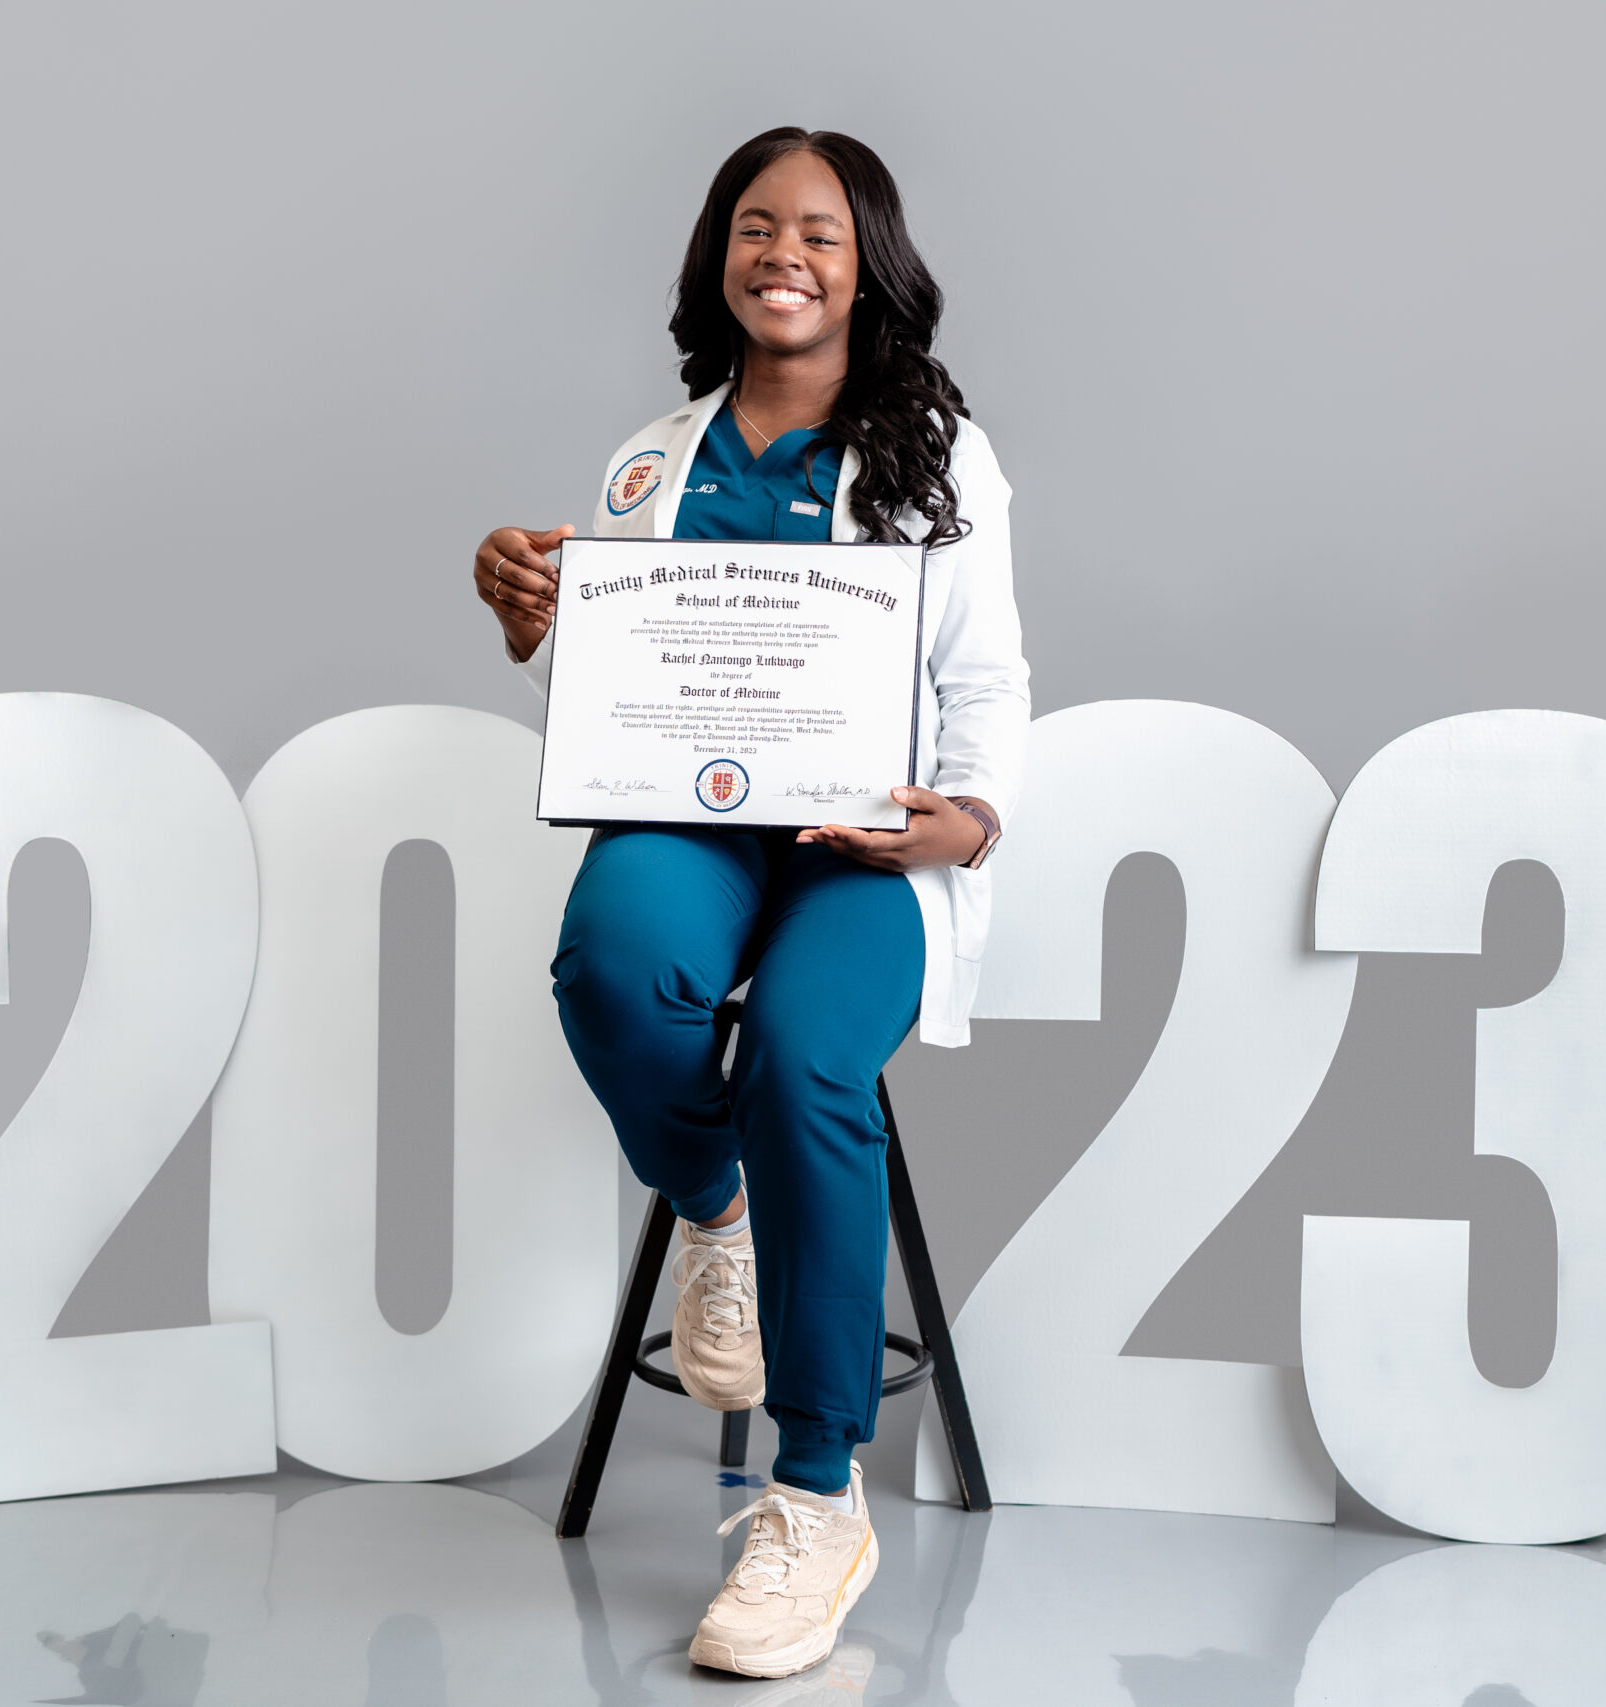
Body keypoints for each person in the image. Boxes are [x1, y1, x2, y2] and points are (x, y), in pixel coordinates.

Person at [471, 127, 1027, 1681]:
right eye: (757, 224)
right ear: (720, 249)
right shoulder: (652, 458)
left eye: (823, 234)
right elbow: (615, 704)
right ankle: (714, 1203)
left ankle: (815, 1493)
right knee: (611, 964)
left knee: (801, 1047)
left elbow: (988, 677)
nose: (786, 251)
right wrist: (532, 614)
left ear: (870, 270)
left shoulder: (940, 452)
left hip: (863, 842)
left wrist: (967, 817)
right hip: (699, 824)